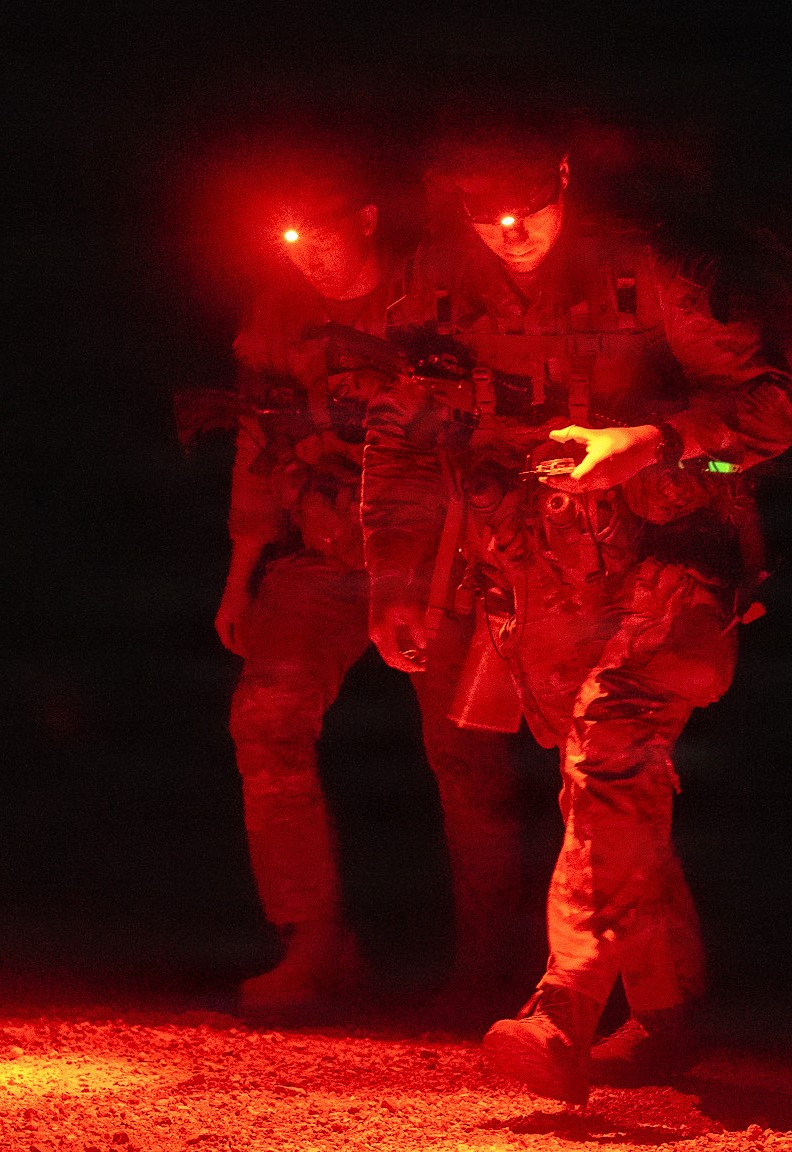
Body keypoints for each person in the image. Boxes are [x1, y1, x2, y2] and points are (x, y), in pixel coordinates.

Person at [360, 123, 792, 1101]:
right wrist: (394, 580)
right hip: (547, 580)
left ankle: (563, 1003)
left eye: (524, 210)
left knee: (605, 747)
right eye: (482, 218)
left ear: (561, 179)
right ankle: (665, 1017)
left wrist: (656, 443)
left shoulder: (653, 269)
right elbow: (404, 433)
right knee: (608, 791)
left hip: (679, 565)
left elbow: (780, 410)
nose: (508, 234)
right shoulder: (434, 284)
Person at [216, 163, 538, 1018]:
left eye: (321, 234)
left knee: (468, 756)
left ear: (364, 218)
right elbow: (259, 435)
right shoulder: (278, 309)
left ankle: (488, 967)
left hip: (438, 554)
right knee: (266, 717)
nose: (307, 255)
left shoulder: (439, 284)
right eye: (289, 239)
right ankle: (314, 943)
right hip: (323, 549)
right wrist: (240, 575)